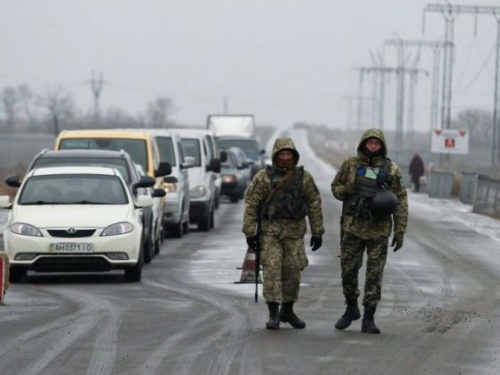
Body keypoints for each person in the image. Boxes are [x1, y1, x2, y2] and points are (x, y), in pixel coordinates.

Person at [243, 137, 324, 330]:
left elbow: (314, 204)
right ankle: (273, 314)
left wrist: (317, 232)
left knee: (292, 271)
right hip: (270, 232)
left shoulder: (304, 178)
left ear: (294, 156)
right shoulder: (263, 177)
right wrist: (249, 232)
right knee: (271, 270)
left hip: (294, 233)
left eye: (289, 154)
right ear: (275, 156)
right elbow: (252, 203)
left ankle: (287, 310)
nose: (286, 158)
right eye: (282, 154)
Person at [331, 129, 408, 334]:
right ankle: (351, 308)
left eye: (376, 143)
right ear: (363, 144)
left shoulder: (391, 170)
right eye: (370, 143)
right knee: (348, 271)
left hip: (379, 230)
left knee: (374, 274)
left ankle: (369, 317)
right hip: (353, 227)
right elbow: (335, 189)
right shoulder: (350, 165)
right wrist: (347, 187)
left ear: (381, 145)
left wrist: (400, 230)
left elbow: (400, 200)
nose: (373, 146)